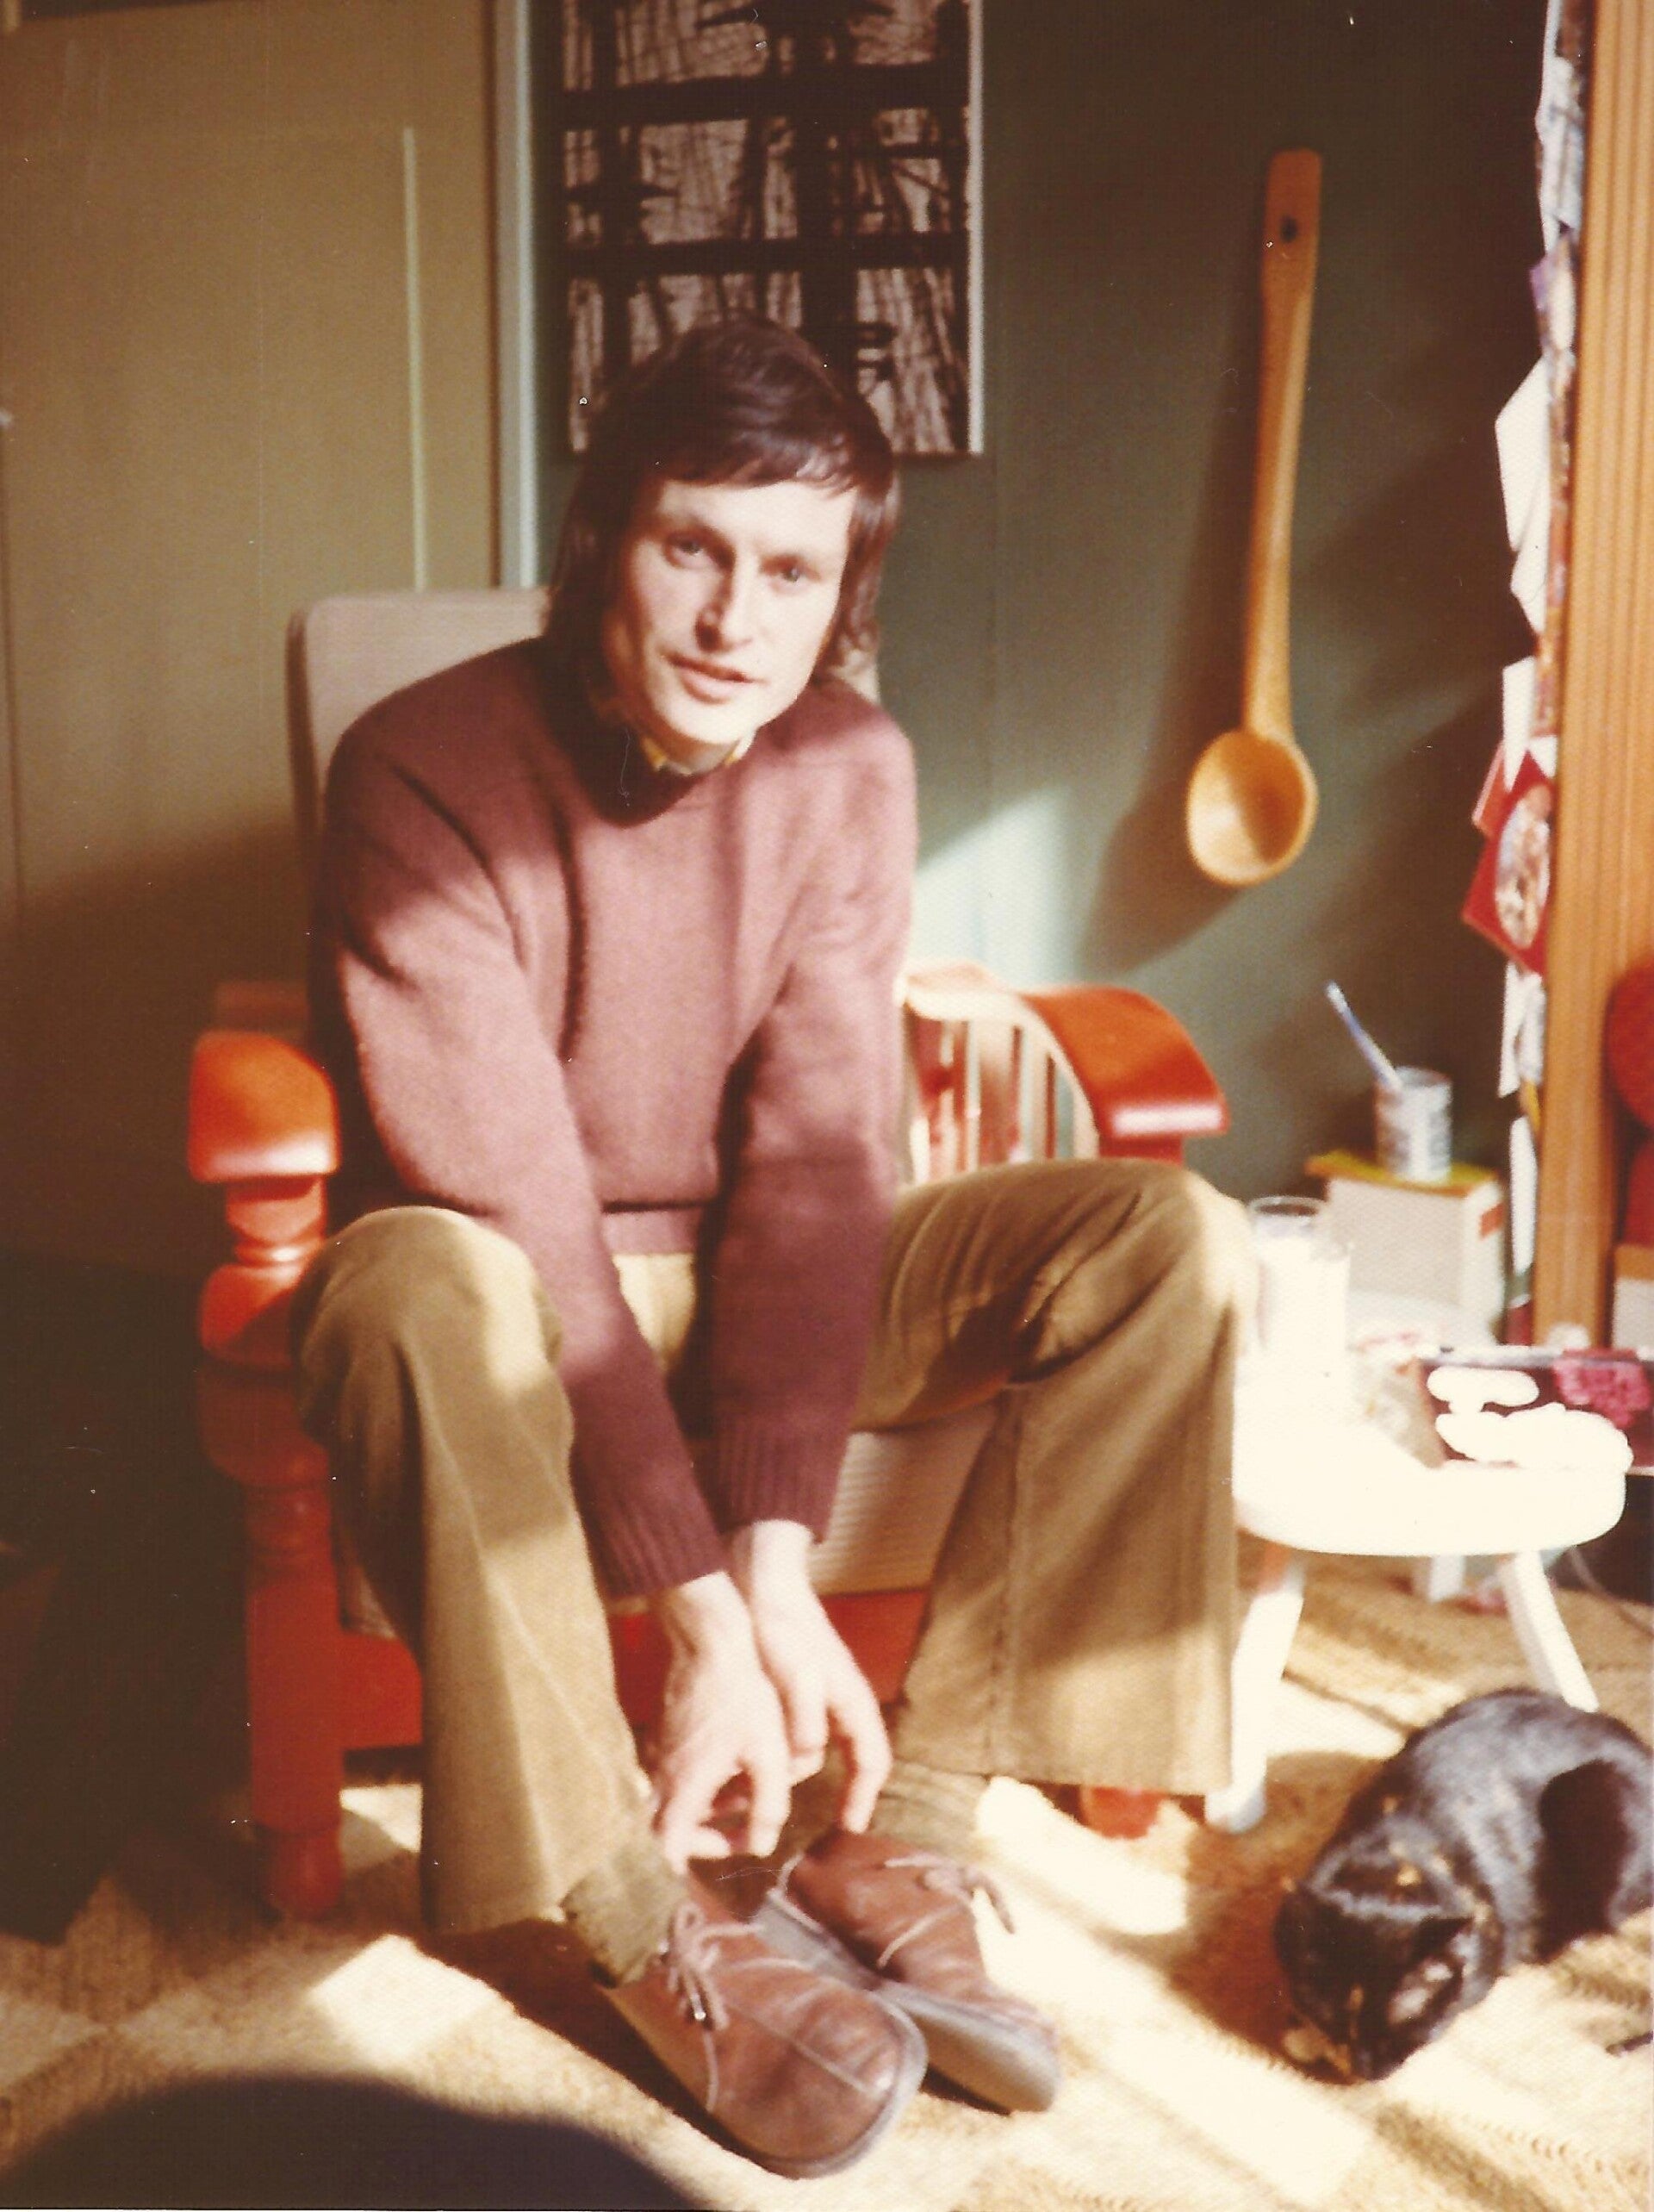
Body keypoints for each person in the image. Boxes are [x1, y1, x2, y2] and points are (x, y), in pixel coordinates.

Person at [294, 317, 1251, 2178]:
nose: (739, 620)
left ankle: (912, 1838)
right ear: (602, 546)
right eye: (694, 549)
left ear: (844, 597)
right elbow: (515, 1206)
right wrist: (704, 1616)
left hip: (735, 1275)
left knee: (1167, 1239)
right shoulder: (414, 763)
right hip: (506, 1286)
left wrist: (779, 1555)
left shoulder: (850, 766)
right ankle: (631, 1906)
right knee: (414, 1286)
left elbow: (818, 1170)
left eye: (795, 573)